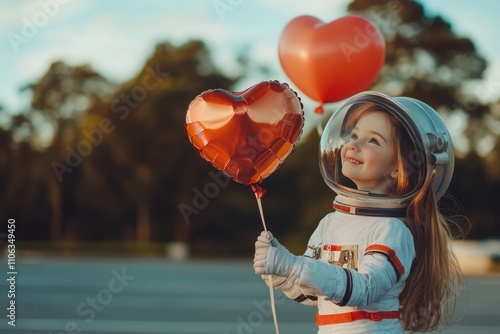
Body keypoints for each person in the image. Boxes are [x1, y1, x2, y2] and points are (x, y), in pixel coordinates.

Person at [253, 92, 464, 333]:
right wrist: (280, 274)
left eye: (373, 141)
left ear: (398, 167)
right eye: (354, 135)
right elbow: (314, 293)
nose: (353, 144)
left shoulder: (392, 231)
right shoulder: (330, 223)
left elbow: (365, 289)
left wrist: (293, 266)